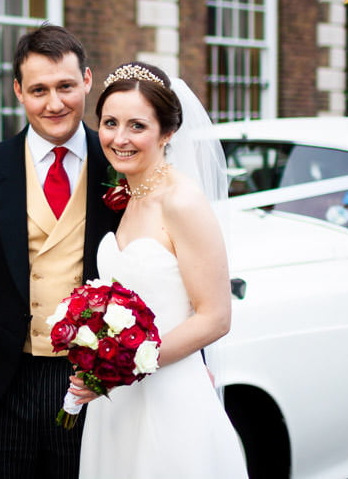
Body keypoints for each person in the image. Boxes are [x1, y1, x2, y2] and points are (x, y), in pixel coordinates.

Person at [0, 24, 120, 478]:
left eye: (64, 86)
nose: (54, 103)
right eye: (39, 89)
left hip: (92, 383)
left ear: (87, 81)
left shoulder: (120, 163)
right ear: (18, 91)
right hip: (4, 378)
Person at [69, 61, 248, 478]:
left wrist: (120, 367)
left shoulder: (182, 201)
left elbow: (215, 316)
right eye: (110, 123)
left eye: (137, 126)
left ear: (167, 133)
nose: (119, 138)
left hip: (168, 397)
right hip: (117, 402)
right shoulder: (128, 195)